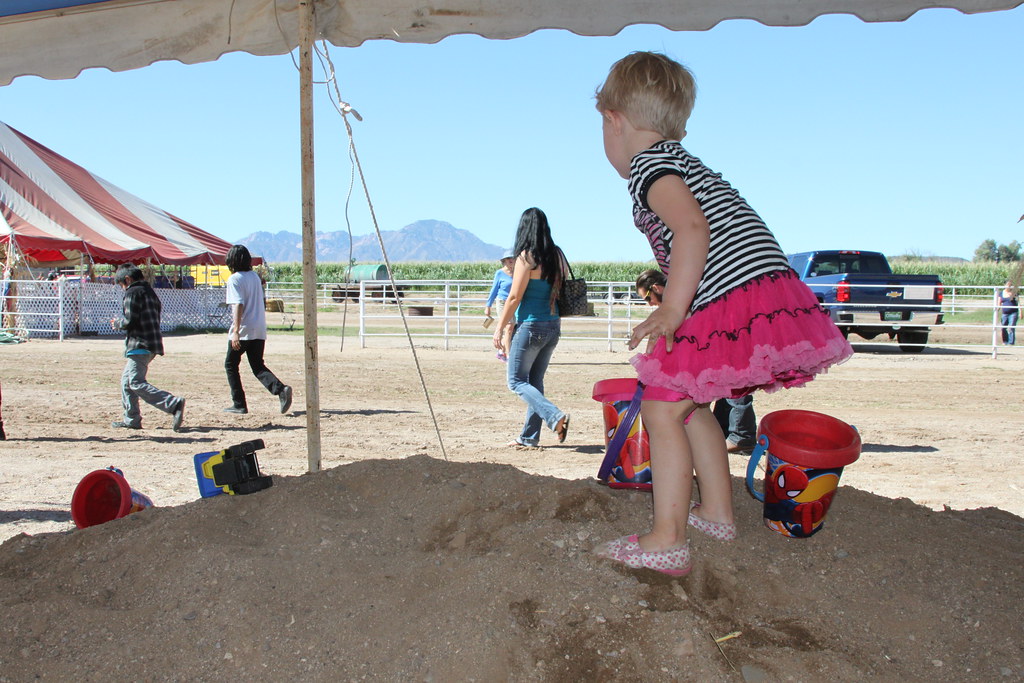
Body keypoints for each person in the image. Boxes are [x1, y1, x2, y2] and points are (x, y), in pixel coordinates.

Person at [595, 52, 852, 576]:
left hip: (730, 295)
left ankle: (667, 541)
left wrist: (672, 309)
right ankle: (715, 512)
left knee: (662, 408)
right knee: (692, 405)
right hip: (757, 288)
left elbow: (692, 228)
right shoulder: (683, 161)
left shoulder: (650, 166)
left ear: (613, 121)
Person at [635, 268, 757, 453]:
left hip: (722, 338)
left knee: (732, 386)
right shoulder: (686, 293)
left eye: (647, 298)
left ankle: (742, 435)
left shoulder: (680, 298)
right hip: (721, 338)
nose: (650, 303)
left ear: (657, 288)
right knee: (721, 391)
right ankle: (732, 432)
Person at [493, 208, 570, 448]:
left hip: (531, 325)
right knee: (535, 382)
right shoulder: (557, 255)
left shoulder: (526, 257)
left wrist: (499, 327)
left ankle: (555, 416)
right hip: (553, 324)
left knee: (516, 381)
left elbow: (514, 296)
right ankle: (529, 437)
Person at [110, 264, 186, 431]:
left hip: (139, 343)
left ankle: (172, 404)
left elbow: (130, 320)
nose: (122, 288)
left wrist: (117, 324)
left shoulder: (132, 292)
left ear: (127, 279)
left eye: (121, 284)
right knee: (126, 383)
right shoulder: (150, 292)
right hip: (152, 343)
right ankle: (132, 420)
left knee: (135, 382)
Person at [223, 245, 293, 415]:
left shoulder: (235, 279)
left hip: (244, 328)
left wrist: (236, 331)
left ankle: (239, 404)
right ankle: (281, 390)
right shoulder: (254, 277)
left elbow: (238, 305)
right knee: (257, 365)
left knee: (230, 365)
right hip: (259, 327)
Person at [485, 249, 516, 361]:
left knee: (512, 328)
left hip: (514, 303)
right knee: (509, 326)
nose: (511, 260)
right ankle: (508, 355)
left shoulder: (518, 272)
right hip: (502, 302)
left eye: (512, 258)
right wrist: (488, 306)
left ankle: (501, 351)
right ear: (504, 261)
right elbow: (494, 290)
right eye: (508, 258)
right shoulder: (500, 273)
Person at [999, 280, 1018, 346]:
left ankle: (1011, 342)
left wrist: (1021, 311)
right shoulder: (1001, 293)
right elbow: (999, 303)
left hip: (1013, 312)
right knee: (1003, 327)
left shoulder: (1014, 293)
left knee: (1011, 327)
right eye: (1008, 285)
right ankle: (1005, 341)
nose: (1009, 286)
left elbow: (1018, 302)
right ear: (1004, 285)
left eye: (1010, 285)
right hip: (1005, 313)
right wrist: (996, 311)